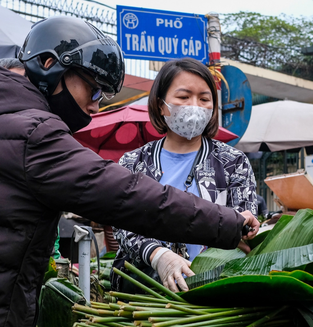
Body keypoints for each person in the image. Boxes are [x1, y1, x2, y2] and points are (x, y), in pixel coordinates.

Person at [0, 16, 258, 327]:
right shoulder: (31, 133)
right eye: (91, 90)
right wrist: (228, 223)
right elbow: (127, 196)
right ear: (48, 65)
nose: (93, 108)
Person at [111, 58, 258, 293]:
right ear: (161, 105)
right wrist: (159, 256)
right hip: (146, 292)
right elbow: (123, 225)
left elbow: (243, 233)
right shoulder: (133, 162)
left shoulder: (233, 162)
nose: (195, 106)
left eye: (204, 99)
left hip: (215, 292)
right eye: (183, 97)